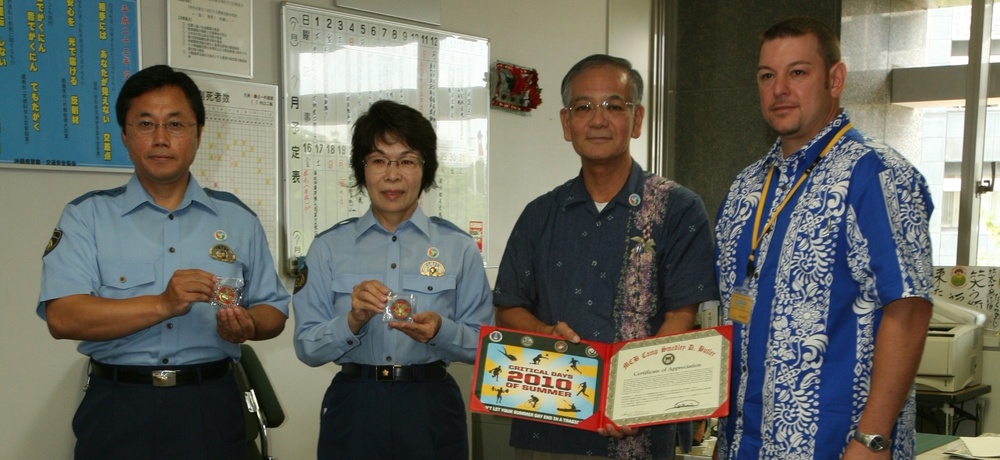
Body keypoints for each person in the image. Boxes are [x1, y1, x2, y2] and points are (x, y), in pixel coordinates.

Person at [37, 64, 290, 460]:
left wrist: (250, 324)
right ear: (124, 135)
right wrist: (162, 304)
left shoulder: (238, 219)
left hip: (211, 404)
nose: (160, 139)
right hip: (119, 407)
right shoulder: (86, 216)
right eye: (144, 124)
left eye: (175, 124)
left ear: (198, 134)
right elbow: (63, 317)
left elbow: (273, 309)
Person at [714, 17, 934, 459]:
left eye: (798, 72)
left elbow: (908, 310)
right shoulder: (746, 186)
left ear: (835, 79)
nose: (780, 89)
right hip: (748, 445)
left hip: (838, 446)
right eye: (767, 76)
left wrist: (872, 439)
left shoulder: (876, 175)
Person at [493, 54, 718, 460]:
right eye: (583, 107)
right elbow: (508, 308)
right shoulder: (539, 215)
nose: (598, 120)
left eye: (614, 106)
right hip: (549, 425)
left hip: (640, 430)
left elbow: (681, 318)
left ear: (636, 119)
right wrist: (545, 332)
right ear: (566, 123)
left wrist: (629, 399)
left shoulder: (677, 209)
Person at [292, 99, 494, 460]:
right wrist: (351, 321)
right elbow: (307, 347)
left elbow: (485, 347)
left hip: (430, 405)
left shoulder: (459, 248)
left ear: (424, 169)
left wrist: (441, 330)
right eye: (379, 160)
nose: (392, 174)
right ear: (362, 169)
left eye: (406, 161)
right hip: (355, 403)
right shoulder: (327, 248)